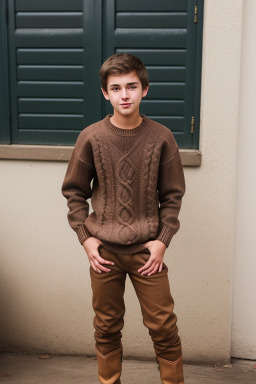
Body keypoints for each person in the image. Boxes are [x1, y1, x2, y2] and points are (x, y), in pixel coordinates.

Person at [62, 53, 185, 384]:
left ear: (145, 89)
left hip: (148, 252)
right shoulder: (91, 137)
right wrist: (86, 238)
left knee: (163, 325)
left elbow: (172, 196)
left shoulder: (162, 137)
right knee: (106, 325)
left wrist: (162, 241)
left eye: (132, 86)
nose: (125, 95)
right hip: (105, 254)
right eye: (116, 88)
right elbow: (74, 192)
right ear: (105, 93)